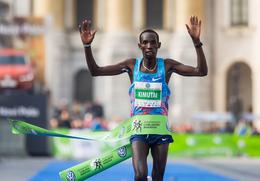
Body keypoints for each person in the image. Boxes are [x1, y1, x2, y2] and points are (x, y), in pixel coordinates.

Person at [79, 16, 207, 181]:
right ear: (140, 46)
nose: (149, 46)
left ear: (158, 45)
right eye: (145, 43)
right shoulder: (132, 66)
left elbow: (201, 71)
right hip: (138, 130)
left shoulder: (167, 66)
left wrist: (197, 42)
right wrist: (87, 45)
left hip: (160, 130)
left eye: (153, 42)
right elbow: (96, 71)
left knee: (158, 177)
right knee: (139, 175)